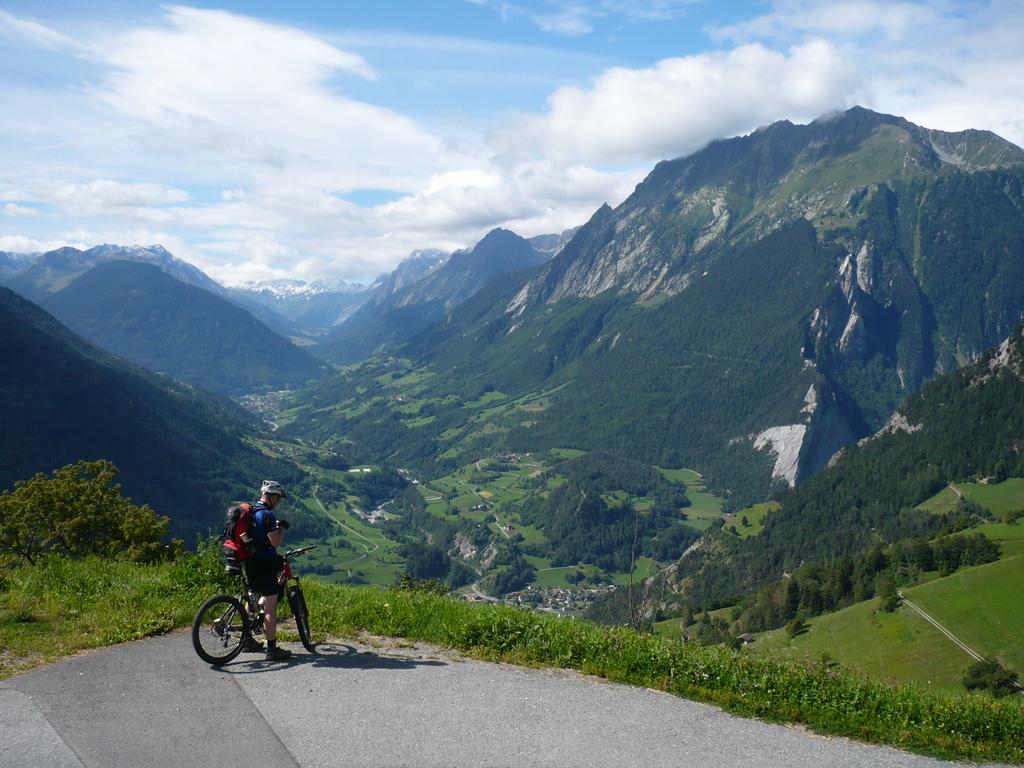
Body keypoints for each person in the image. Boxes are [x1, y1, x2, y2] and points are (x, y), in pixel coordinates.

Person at [243, 480, 292, 661]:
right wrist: (282, 528)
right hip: (265, 564)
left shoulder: (251, 511)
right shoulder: (267, 515)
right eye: (278, 498)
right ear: (271, 496)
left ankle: (247, 640)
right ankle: (272, 649)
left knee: (252, 599)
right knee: (270, 607)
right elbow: (275, 542)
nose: (278, 502)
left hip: (250, 562)